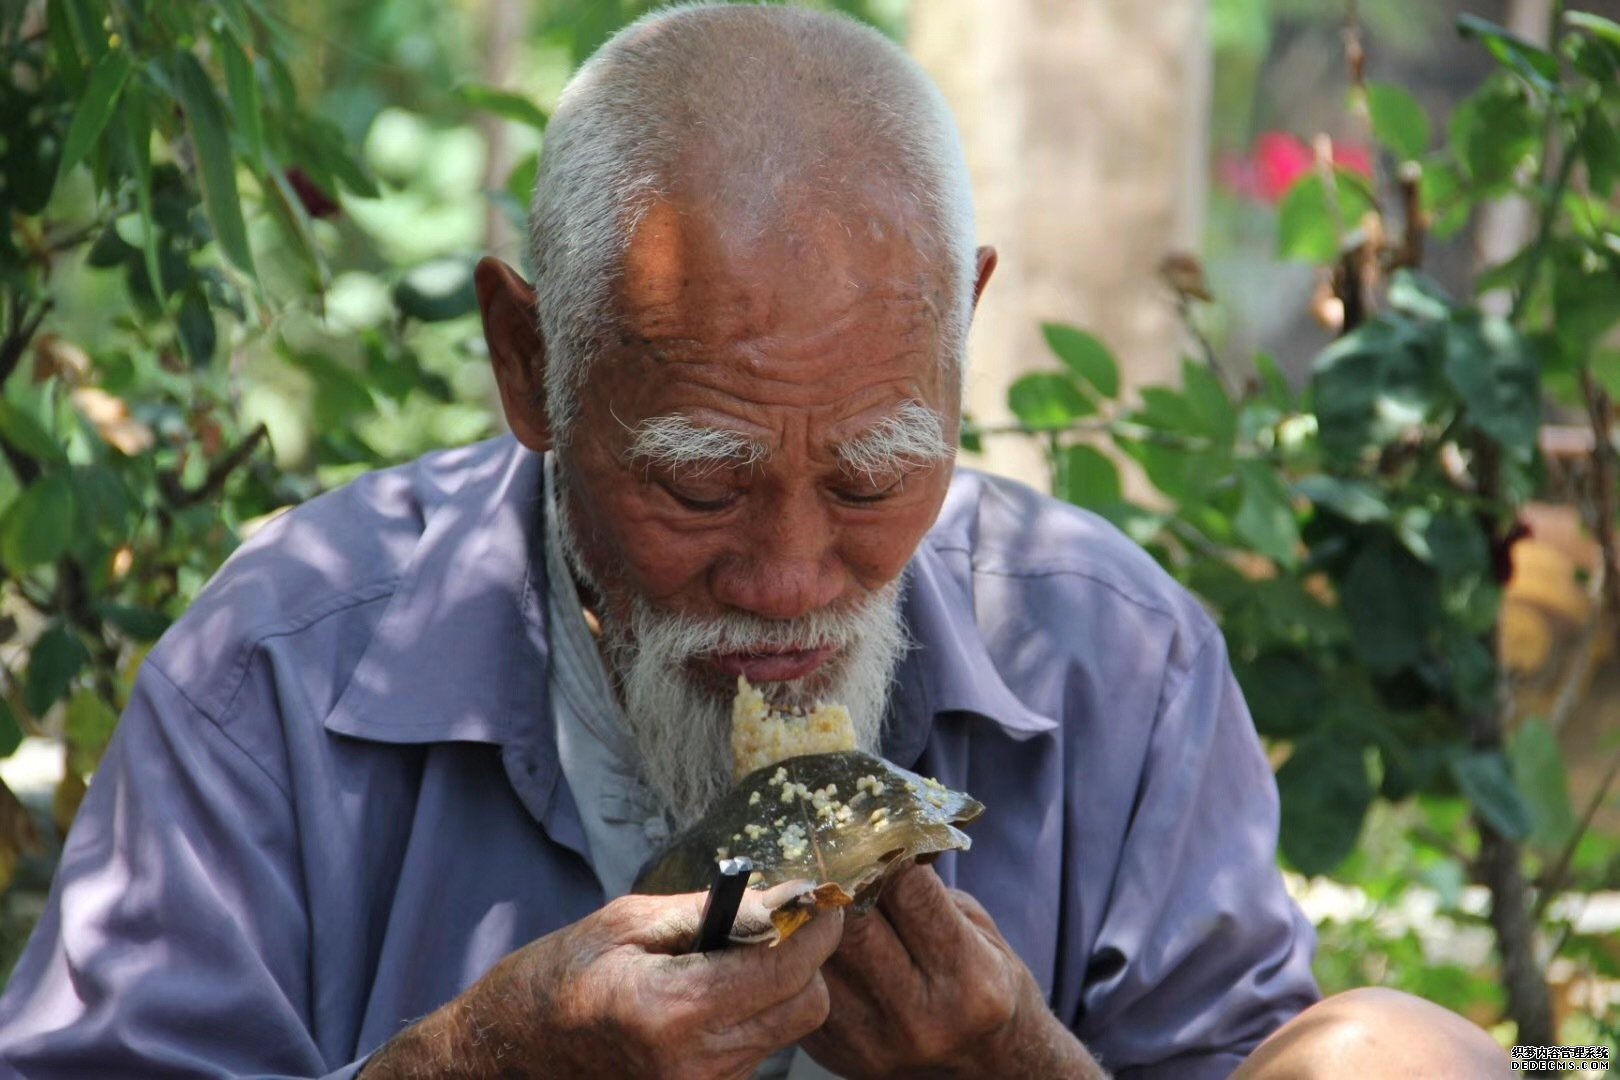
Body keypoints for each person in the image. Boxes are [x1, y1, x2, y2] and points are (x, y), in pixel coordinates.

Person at [0, 5, 1512, 1078]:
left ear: (959, 338)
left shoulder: (1120, 661)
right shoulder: (281, 669)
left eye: (870, 481)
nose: (791, 583)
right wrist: (477, 1070)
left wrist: (1013, 1073)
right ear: (532, 366)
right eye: (700, 489)